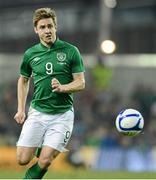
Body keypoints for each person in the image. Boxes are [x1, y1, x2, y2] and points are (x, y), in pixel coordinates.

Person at [14, 7, 85, 179]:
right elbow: (23, 80)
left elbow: (81, 82)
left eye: (50, 26)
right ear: (36, 30)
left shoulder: (70, 51)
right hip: (38, 112)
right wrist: (21, 109)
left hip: (62, 115)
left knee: (45, 160)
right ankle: (42, 146)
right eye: (43, 27)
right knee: (22, 159)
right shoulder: (30, 54)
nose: (47, 30)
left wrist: (64, 88)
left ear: (56, 27)